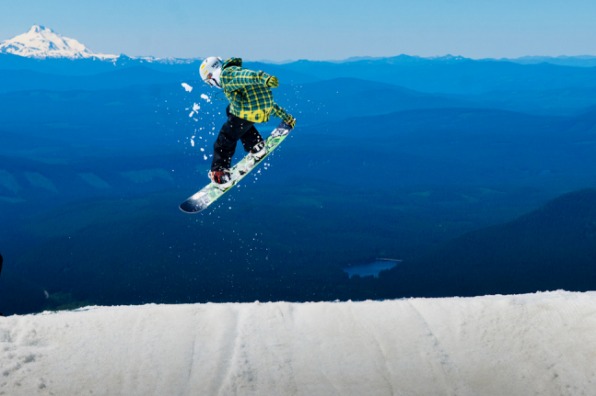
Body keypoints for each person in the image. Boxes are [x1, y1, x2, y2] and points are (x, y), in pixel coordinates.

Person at [199, 56, 296, 188]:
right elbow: (264, 102)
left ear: (211, 76)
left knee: (224, 138)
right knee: (230, 110)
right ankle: (256, 145)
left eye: (210, 83)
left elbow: (244, 76)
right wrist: (285, 117)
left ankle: (220, 173)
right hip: (262, 111)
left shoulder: (226, 75)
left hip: (247, 111)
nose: (212, 86)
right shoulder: (235, 70)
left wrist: (263, 78)